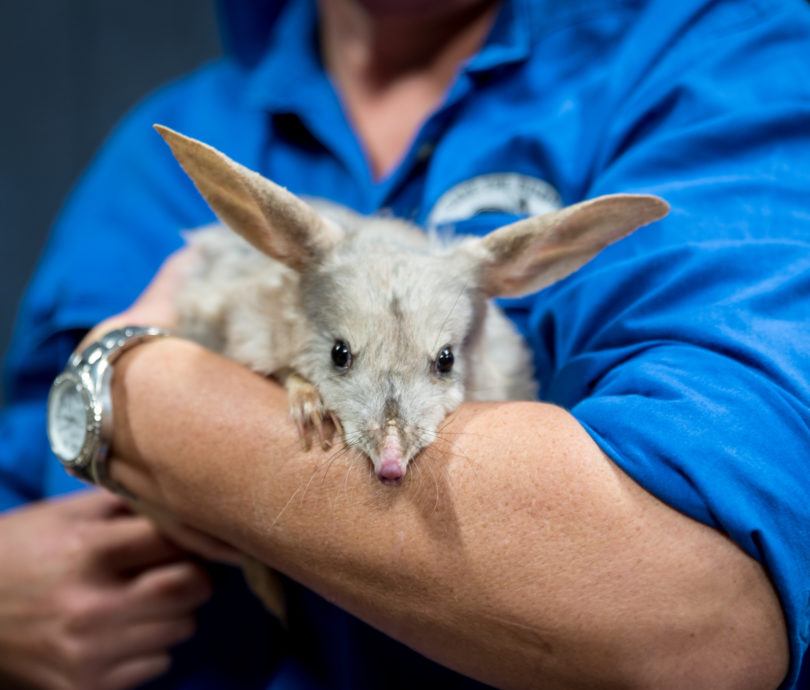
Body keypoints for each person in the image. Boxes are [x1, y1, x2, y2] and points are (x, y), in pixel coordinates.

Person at [2, 0, 809, 688]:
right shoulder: (157, 150)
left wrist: (133, 390)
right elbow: (18, 463)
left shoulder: (718, 59)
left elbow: (699, 624)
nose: (392, 455)